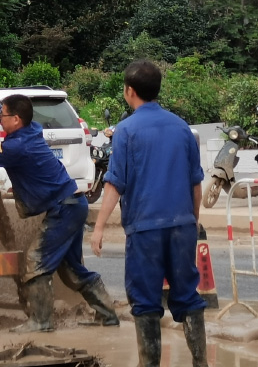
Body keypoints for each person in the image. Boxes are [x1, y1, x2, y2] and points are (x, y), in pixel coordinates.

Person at [0, 65, 118, 332]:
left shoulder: (16, 146)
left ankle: (41, 321)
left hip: (64, 209)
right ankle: (108, 316)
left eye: (4, 116)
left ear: (16, 120)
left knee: (35, 261)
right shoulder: (28, 128)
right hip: (72, 204)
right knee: (71, 270)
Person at [90, 60, 207, 367]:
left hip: (145, 230)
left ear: (129, 92)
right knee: (188, 295)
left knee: (145, 301)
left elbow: (114, 185)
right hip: (182, 225)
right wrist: (193, 221)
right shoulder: (182, 128)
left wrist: (98, 227)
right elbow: (196, 182)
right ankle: (201, 363)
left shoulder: (126, 131)